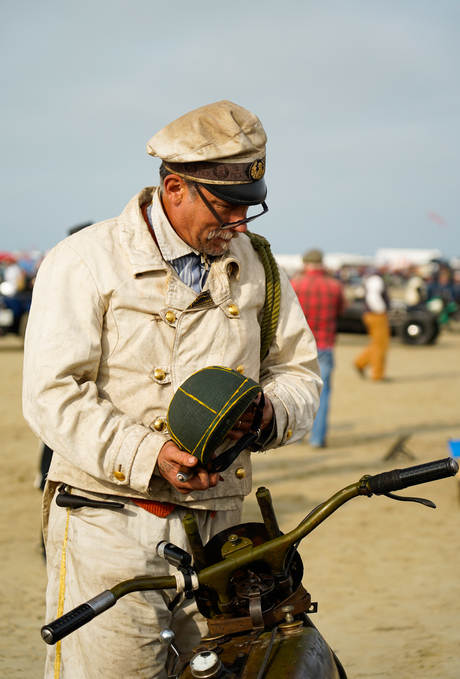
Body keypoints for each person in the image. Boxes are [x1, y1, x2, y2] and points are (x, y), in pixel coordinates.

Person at [23, 100, 322, 679]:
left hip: (224, 536)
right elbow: (52, 393)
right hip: (109, 524)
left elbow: (298, 372)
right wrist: (148, 454)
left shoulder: (259, 265)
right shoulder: (84, 261)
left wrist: (263, 412)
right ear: (175, 186)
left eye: (249, 209)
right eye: (227, 207)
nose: (238, 224)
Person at [291, 249, 347, 448]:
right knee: (323, 393)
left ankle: (295, 436)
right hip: (325, 344)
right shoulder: (335, 286)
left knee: (296, 391)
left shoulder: (295, 284)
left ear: (306, 264)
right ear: (322, 264)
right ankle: (317, 439)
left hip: (299, 345)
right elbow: (342, 310)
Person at [354, 268, 390, 381]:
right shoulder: (376, 279)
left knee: (377, 343)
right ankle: (377, 373)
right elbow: (373, 297)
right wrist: (381, 310)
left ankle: (361, 362)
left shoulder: (371, 278)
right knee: (381, 344)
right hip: (376, 314)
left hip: (372, 313)